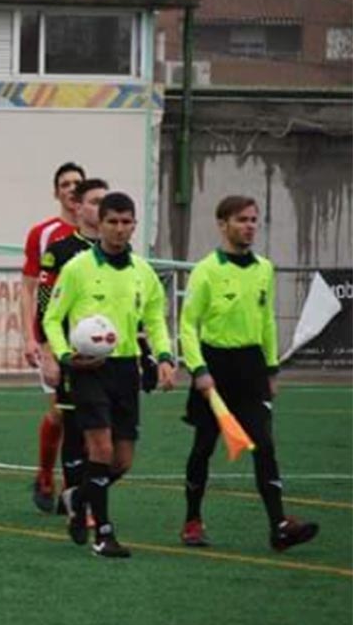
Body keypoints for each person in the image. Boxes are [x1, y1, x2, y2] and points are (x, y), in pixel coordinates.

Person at [178, 195, 319, 552]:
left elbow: (267, 321)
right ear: (222, 224)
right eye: (242, 220)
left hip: (252, 369)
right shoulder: (206, 270)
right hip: (214, 367)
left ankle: (279, 526)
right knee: (204, 446)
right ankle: (192, 520)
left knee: (265, 445)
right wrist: (199, 370)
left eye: (254, 220)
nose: (250, 226)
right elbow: (188, 325)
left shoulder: (264, 269)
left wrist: (272, 368)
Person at [42, 191, 176, 559]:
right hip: (88, 369)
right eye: (112, 222)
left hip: (125, 369)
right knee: (99, 448)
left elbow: (155, 321)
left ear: (134, 225)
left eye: (126, 222)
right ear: (99, 224)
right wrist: (66, 356)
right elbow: (52, 318)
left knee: (121, 462)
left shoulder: (143, 273)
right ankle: (103, 534)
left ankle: (77, 496)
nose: (119, 229)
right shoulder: (78, 268)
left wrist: (164, 356)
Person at [37, 178, 107, 515]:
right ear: (77, 206)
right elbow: (45, 305)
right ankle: (77, 499)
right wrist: (48, 352)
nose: (100, 208)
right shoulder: (60, 252)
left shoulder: (120, 254)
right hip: (73, 358)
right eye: (94, 202)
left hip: (113, 359)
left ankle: (80, 497)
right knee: (74, 427)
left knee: (113, 436)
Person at [21, 162, 85, 512]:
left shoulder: (102, 233)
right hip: (55, 338)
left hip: (91, 341)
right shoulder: (44, 235)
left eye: (78, 183)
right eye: (65, 184)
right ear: (56, 191)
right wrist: (35, 339)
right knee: (61, 412)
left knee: (87, 415)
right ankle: (45, 474)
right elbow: (30, 289)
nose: (72, 189)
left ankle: (72, 490)